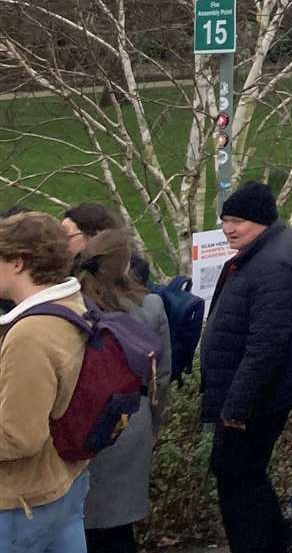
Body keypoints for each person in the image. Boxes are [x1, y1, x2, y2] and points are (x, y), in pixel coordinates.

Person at [199, 182, 292, 553]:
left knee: (235, 476)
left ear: (261, 221)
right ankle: (281, 539)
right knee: (244, 472)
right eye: (224, 220)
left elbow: (266, 346)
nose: (228, 228)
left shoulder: (272, 265)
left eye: (236, 221)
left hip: (252, 400)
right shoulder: (262, 252)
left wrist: (236, 406)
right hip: (252, 395)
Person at [71, 227, 171, 553]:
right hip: (130, 418)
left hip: (77, 420)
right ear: (127, 265)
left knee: (75, 525)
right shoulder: (151, 306)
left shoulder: (72, 306)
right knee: (118, 528)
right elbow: (162, 376)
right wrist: (153, 424)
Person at [0, 212, 93, 552]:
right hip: (67, 480)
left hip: (22, 502)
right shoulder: (73, 304)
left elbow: (19, 437)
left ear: (18, 263)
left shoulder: (29, 334)